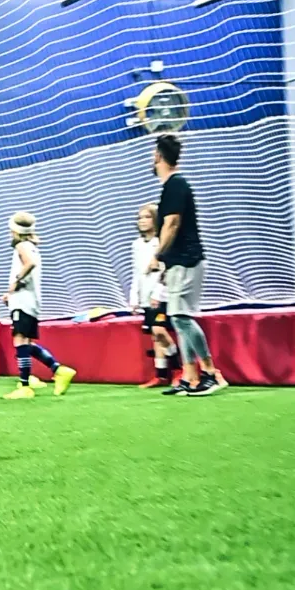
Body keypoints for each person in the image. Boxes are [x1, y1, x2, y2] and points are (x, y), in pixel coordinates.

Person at [149, 135, 227, 396]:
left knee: (182, 318)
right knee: (179, 319)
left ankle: (211, 373)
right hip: (176, 263)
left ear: (159, 156)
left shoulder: (176, 184)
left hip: (186, 260)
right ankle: (189, 376)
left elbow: (172, 224)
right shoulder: (171, 186)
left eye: (153, 153)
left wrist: (157, 255)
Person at [2, 212, 76, 399]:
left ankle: (26, 385)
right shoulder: (33, 246)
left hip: (23, 301)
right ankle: (58, 370)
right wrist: (11, 293)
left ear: (15, 230)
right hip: (30, 300)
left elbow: (30, 264)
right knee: (26, 342)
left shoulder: (21, 246)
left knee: (20, 341)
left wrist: (15, 283)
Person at [129, 203, 180, 388]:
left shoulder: (161, 242)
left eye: (147, 217)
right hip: (145, 297)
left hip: (162, 295)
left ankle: (178, 367)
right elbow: (137, 272)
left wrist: (158, 293)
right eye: (139, 217)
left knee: (160, 330)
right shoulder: (136, 245)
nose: (142, 221)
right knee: (155, 336)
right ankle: (161, 375)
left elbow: (167, 271)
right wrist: (134, 299)